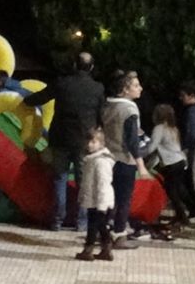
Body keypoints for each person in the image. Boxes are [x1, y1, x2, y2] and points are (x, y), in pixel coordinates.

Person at [24, 52, 105, 230]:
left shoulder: (62, 83)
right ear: (91, 67)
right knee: (83, 182)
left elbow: (39, 98)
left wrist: (24, 100)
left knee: (59, 178)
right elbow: (102, 115)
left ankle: (57, 220)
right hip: (85, 142)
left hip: (60, 138)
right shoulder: (97, 88)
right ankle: (81, 222)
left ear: (74, 65)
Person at [102, 71, 145, 249]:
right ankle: (119, 234)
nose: (140, 88)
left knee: (107, 197)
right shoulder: (129, 110)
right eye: (136, 85)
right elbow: (132, 140)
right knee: (124, 199)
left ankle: (103, 232)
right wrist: (141, 164)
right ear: (125, 89)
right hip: (124, 159)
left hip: (106, 157)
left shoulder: (107, 105)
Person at [74, 127, 115, 261]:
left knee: (93, 225)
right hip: (93, 199)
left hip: (99, 201)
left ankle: (88, 249)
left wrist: (102, 205)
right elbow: (86, 182)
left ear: (101, 144)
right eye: (88, 141)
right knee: (100, 225)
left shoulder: (101, 161)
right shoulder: (91, 160)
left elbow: (103, 184)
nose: (89, 145)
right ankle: (106, 248)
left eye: (93, 142)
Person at [147, 104, 190, 227]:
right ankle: (185, 212)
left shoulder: (159, 128)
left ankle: (182, 216)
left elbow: (152, 147)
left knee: (171, 191)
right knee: (177, 188)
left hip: (171, 163)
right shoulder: (173, 128)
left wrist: (138, 154)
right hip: (180, 160)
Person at [179, 82, 195, 217]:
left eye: (183, 95)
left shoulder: (192, 112)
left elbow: (191, 133)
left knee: (194, 178)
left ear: (192, 96)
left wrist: (185, 149)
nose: (181, 98)